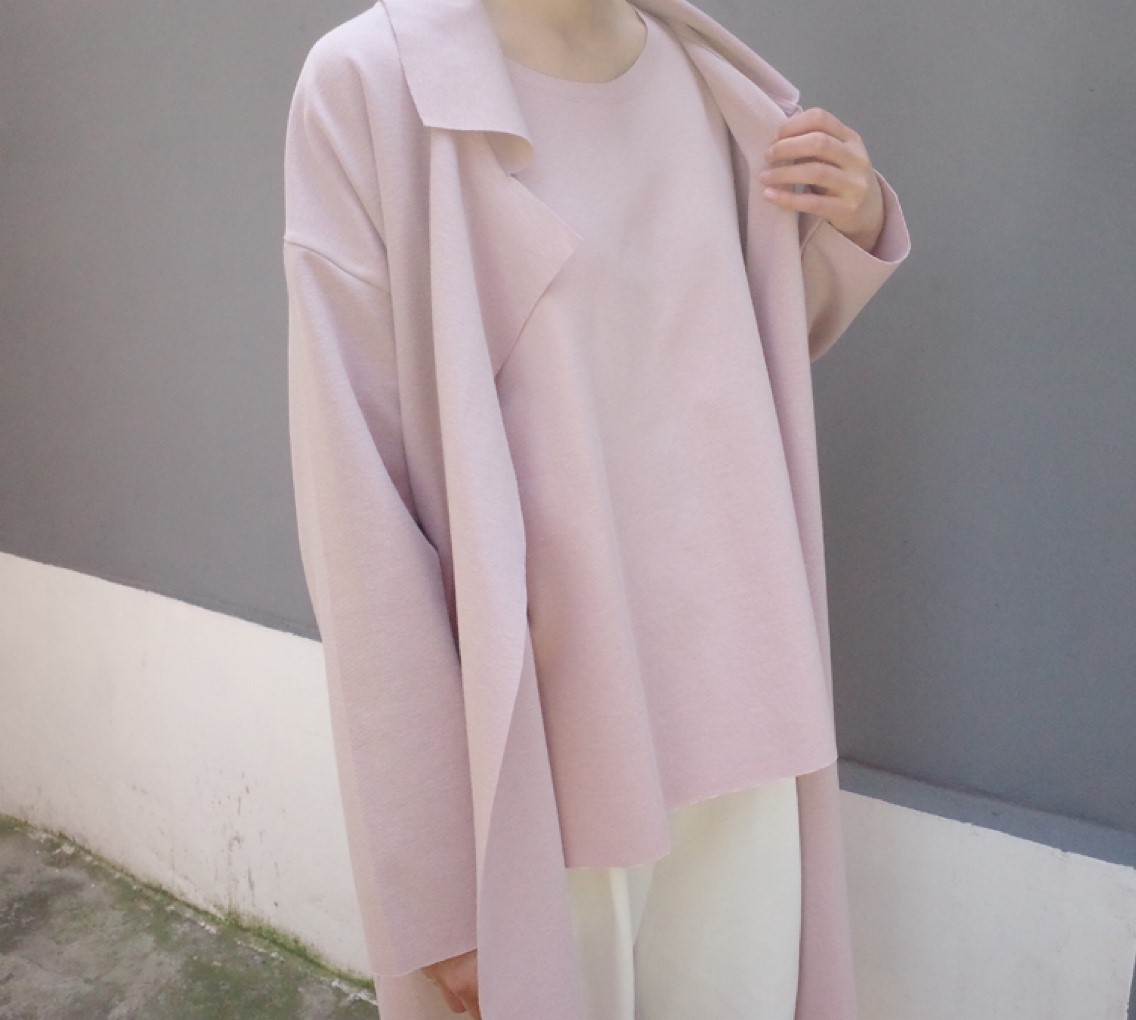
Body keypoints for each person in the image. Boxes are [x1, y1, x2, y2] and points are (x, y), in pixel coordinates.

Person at [282, 0, 909, 1017]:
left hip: (747, 708)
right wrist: (436, 879)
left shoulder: (708, 83)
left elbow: (727, 366)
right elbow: (356, 504)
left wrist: (852, 219)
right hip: (545, 759)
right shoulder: (371, 84)